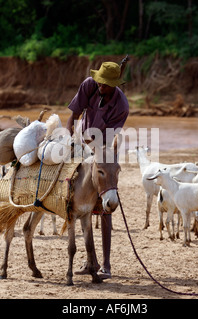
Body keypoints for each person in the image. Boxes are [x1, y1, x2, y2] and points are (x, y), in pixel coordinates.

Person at [66, 60, 129, 280]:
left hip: (104, 148)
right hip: (81, 142)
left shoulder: (122, 106)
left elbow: (107, 140)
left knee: (104, 204)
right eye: (99, 82)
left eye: (105, 85)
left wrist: (93, 154)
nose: (100, 86)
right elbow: (73, 113)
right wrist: (70, 137)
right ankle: (89, 260)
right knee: (82, 200)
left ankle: (106, 265)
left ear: (114, 85)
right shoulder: (89, 85)